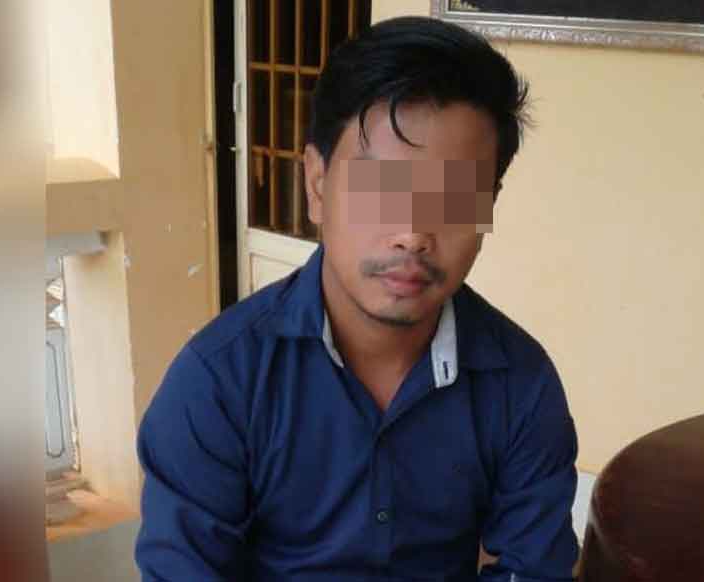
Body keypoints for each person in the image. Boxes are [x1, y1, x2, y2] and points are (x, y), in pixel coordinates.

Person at [135, 16, 579, 581]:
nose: (413, 234)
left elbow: (534, 568)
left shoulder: (520, 383)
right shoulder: (219, 383)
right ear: (317, 184)